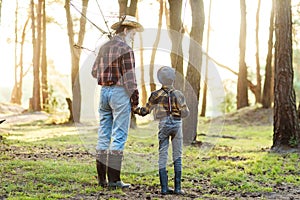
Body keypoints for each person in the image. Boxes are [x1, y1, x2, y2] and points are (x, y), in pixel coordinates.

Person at [91, 15, 143, 189]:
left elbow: (93, 72)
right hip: (120, 93)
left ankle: (102, 180)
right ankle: (114, 180)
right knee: (119, 135)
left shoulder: (103, 47)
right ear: (126, 30)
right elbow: (130, 79)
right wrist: (135, 101)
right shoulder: (126, 49)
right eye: (133, 34)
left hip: (104, 93)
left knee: (103, 134)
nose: (133, 38)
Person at [133, 66, 190, 195]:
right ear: (173, 79)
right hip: (177, 124)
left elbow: (144, 111)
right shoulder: (179, 94)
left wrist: (134, 108)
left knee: (163, 155)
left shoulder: (155, 95)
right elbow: (185, 113)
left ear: (160, 79)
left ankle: (164, 188)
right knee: (177, 156)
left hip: (163, 124)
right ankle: (178, 188)